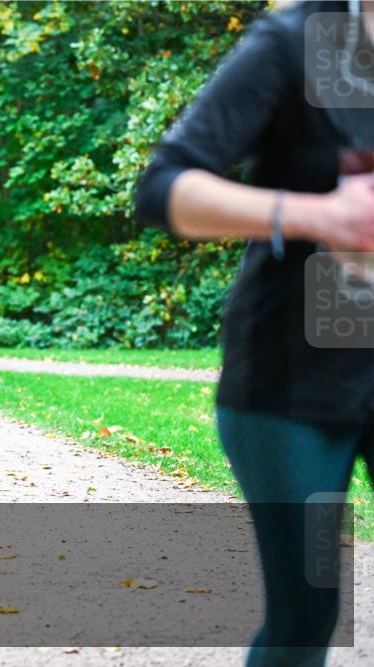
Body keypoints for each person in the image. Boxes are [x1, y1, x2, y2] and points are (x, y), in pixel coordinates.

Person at [135, 2, 374, 664]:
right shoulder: (296, 40)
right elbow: (163, 187)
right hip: (294, 383)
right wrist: (320, 214)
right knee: (307, 612)